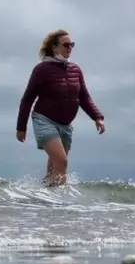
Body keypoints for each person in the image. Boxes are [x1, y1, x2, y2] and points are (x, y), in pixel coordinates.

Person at [16, 29, 105, 187]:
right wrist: (21, 127)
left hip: (65, 126)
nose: (70, 47)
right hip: (44, 120)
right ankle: (61, 205)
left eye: (72, 44)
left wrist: (98, 117)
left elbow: (84, 97)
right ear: (54, 47)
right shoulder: (42, 70)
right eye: (66, 44)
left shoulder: (75, 70)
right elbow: (27, 99)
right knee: (62, 161)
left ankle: (44, 198)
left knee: (54, 170)